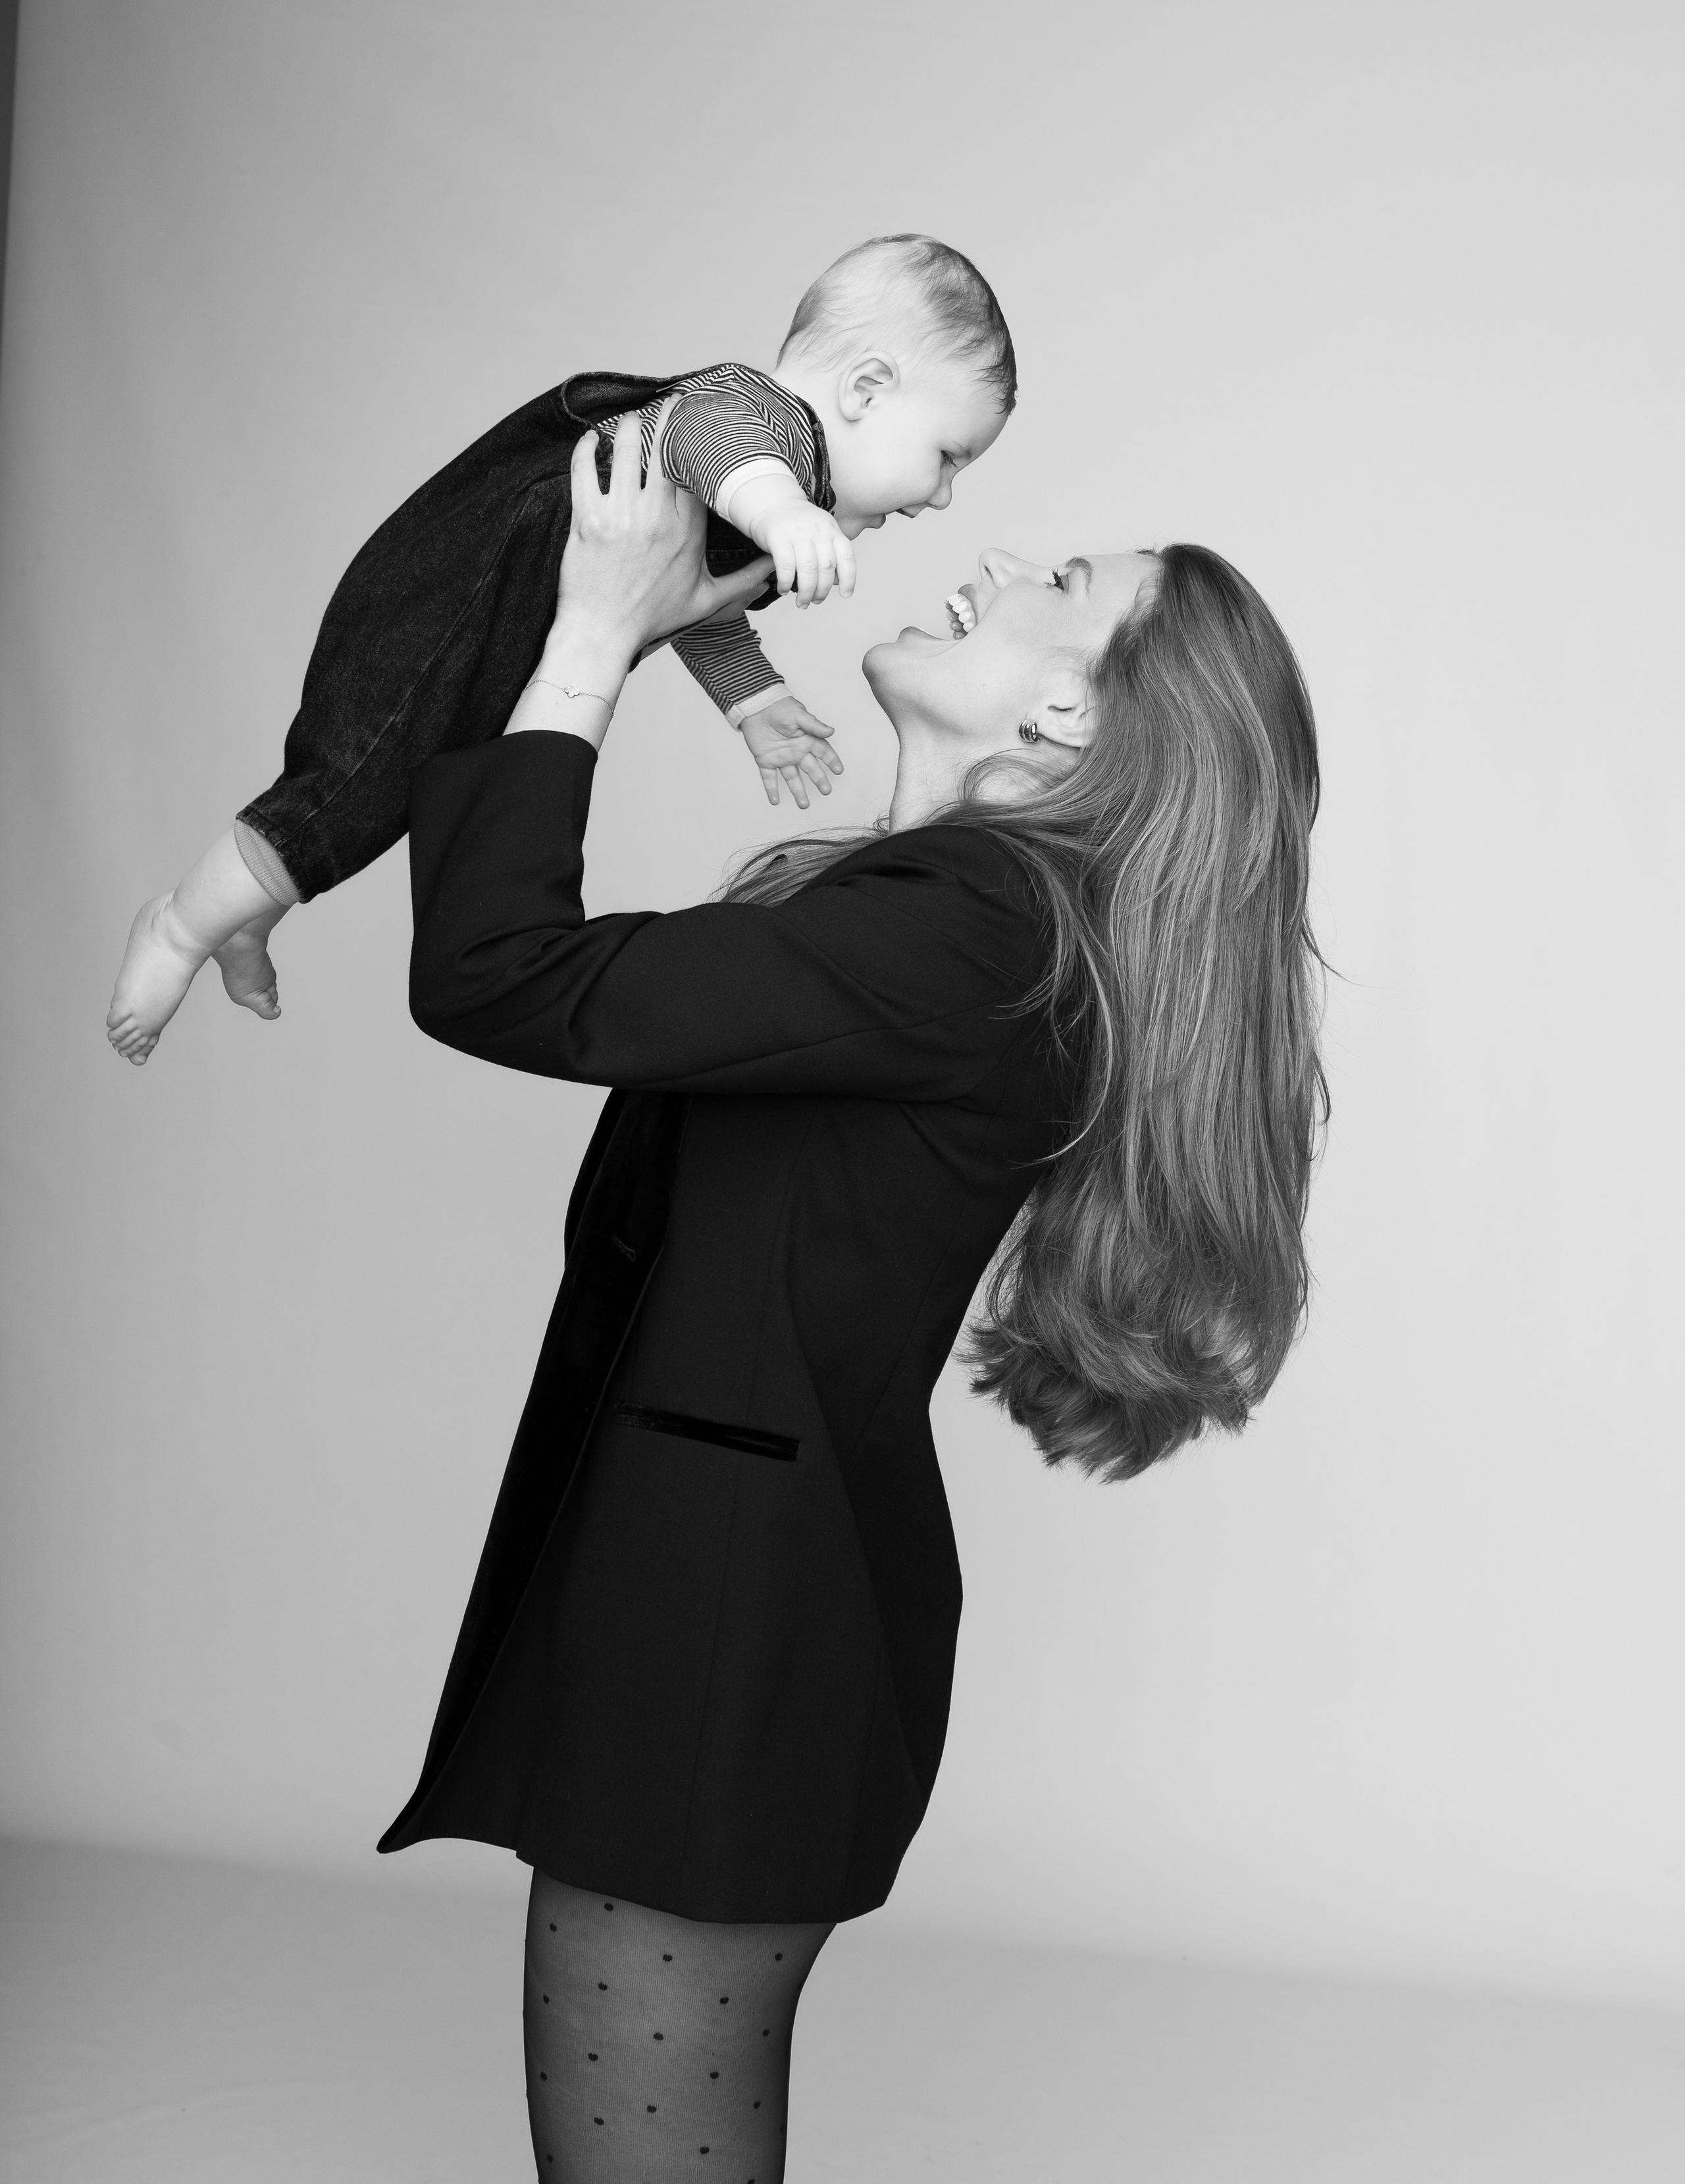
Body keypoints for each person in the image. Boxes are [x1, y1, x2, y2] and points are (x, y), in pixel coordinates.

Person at [376, 413, 1327, 2181]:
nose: (989, 560)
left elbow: (508, 978)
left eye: (1058, 586)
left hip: (735, 1625)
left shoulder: (972, 930)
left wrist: (589, 639)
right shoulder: (966, 917)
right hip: (745, 1596)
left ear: (1066, 718)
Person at [103, 233, 1014, 1063]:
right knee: (348, 787)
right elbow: (710, 437)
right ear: (865, 389)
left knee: (385, 803)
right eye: (948, 456)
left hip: (509, 640)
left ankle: (245, 914)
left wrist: (756, 704)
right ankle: (180, 926)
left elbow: (697, 603)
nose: (941, 499)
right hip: (449, 599)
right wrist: (778, 510)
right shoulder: (756, 418)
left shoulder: (777, 487)